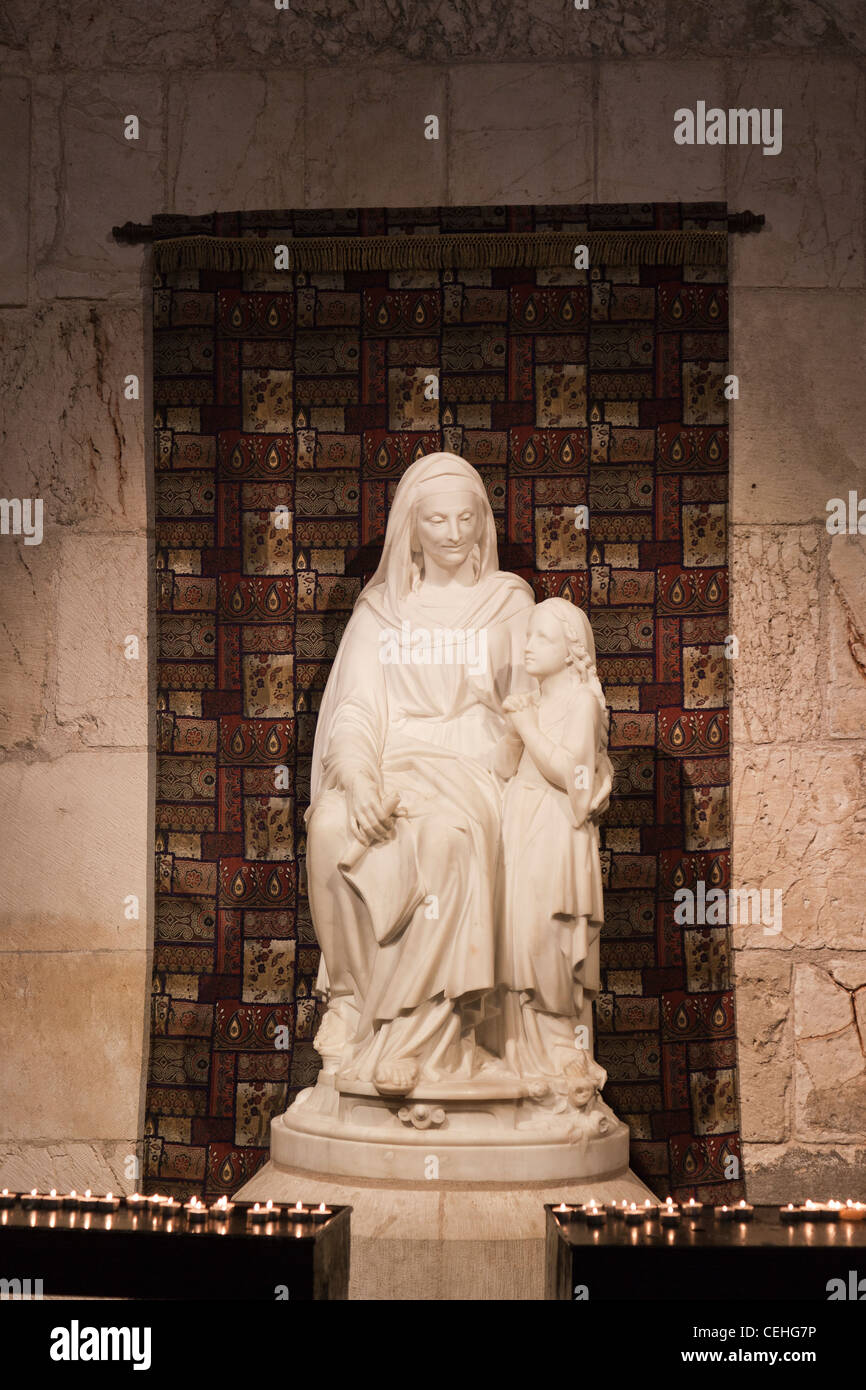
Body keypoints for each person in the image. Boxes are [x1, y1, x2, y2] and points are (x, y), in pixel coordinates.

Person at [304, 451, 535, 1096]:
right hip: (391, 764)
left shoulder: (508, 604)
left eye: (466, 518)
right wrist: (359, 781)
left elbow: (533, 704)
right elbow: (355, 711)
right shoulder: (380, 613)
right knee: (330, 827)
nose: (454, 533)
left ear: (483, 522)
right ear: (412, 527)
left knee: (445, 840)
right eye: (437, 520)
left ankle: (421, 1032)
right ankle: (354, 1004)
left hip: (476, 766)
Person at [496, 597, 613, 1101]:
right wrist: (514, 730)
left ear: (570, 650)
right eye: (528, 635)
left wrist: (527, 727)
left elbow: (575, 776)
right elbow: (503, 768)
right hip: (520, 820)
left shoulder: (581, 702)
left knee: (548, 934)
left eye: (541, 637)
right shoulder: (533, 703)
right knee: (517, 935)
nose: (528, 646)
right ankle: (523, 1055)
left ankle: (563, 1048)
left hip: (556, 830)